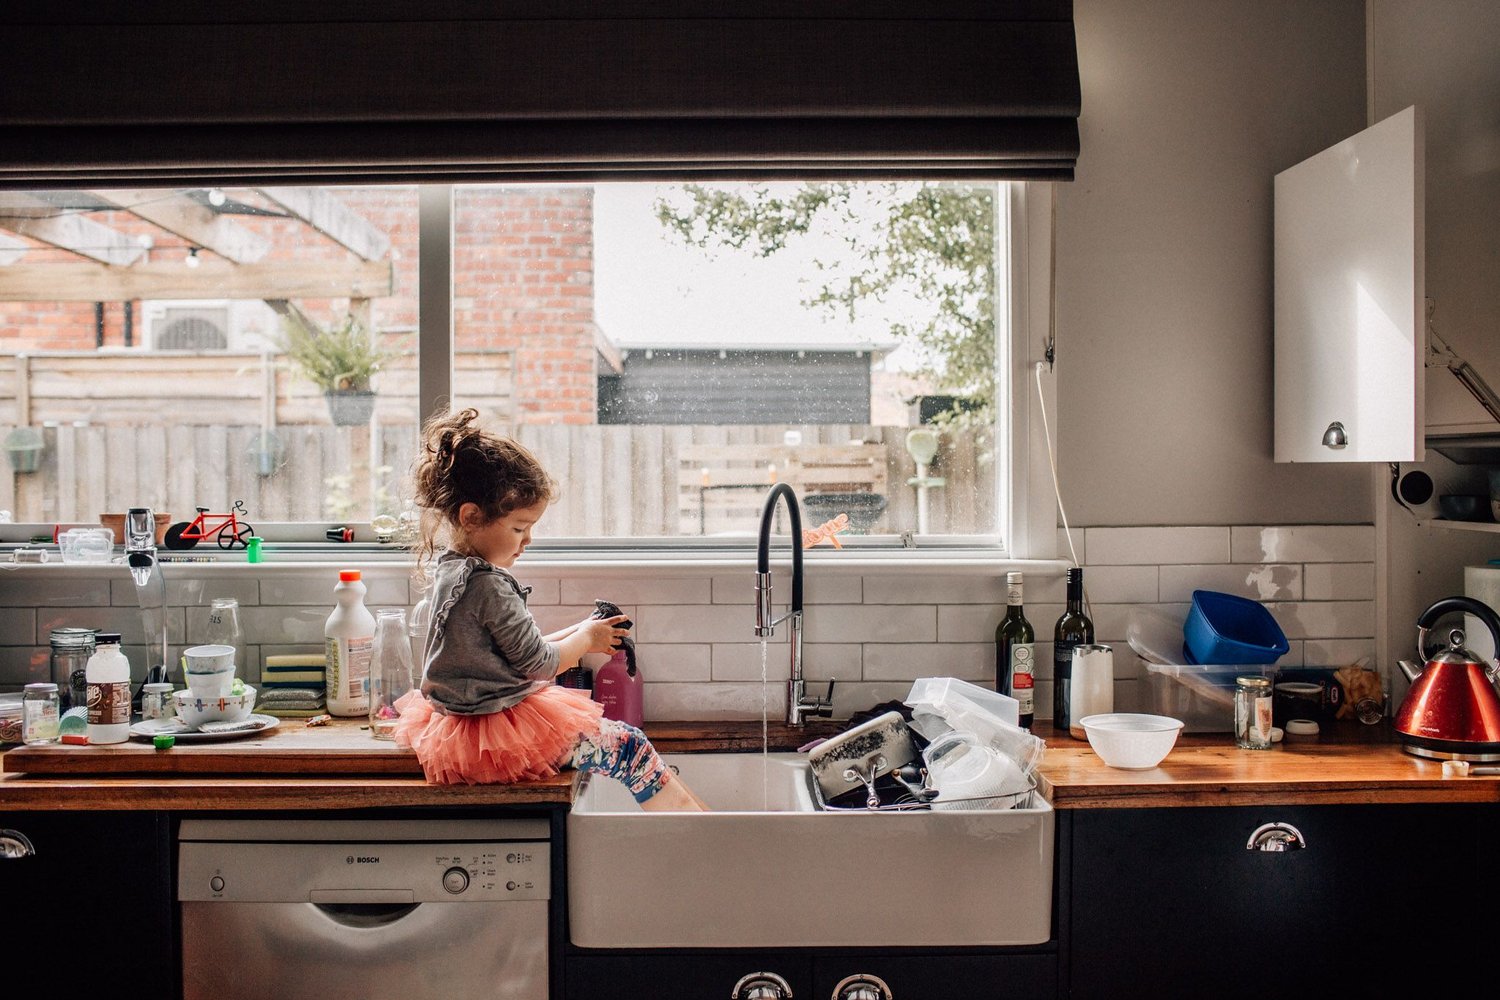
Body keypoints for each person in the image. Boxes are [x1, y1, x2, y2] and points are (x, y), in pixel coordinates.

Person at [393, 407, 707, 811]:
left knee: (631, 749)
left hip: (465, 729)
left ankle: (705, 826)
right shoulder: (489, 586)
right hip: (499, 733)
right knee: (632, 748)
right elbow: (539, 664)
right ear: (471, 517)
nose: (527, 540)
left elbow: (514, 653)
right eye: (520, 527)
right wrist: (587, 639)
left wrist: (582, 630)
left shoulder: (454, 571)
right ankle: (699, 836)